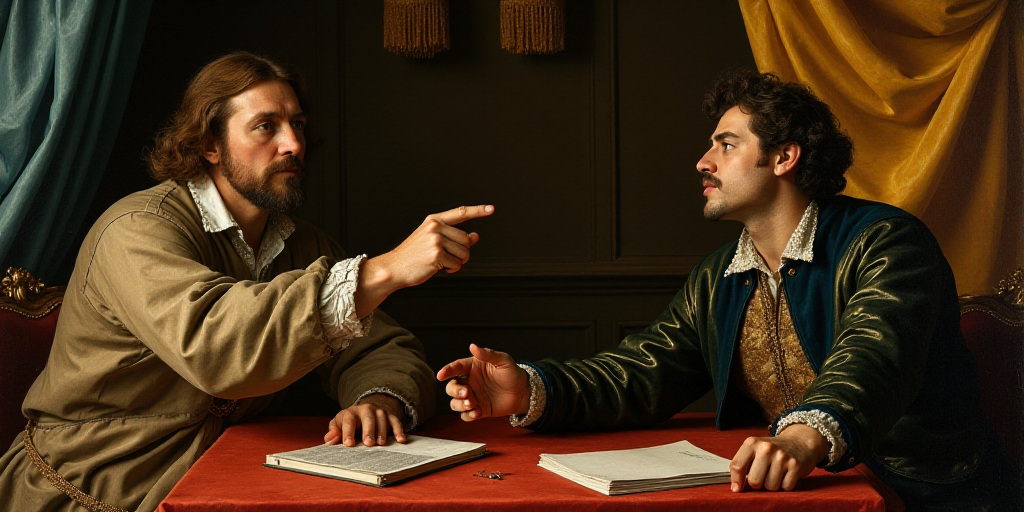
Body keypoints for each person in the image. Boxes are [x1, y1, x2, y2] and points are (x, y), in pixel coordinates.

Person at [438, 70, 1016, 510]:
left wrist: (800, 439)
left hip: (926, 492)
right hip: (797, 493)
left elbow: (874, 358)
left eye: (726, 144)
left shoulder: (887, 242)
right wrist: (529, 389)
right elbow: (643, 371)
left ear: (784, 157)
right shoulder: (720, 273)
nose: (702, 162)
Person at [0, 51, 493, 512]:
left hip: (220, 478)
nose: (294, 144)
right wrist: (383, 270)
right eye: (265, 127)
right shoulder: (137, 229)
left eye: (297, 124)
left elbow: (380, 349)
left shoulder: (304, 244)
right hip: (90, 489)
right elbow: (216, 347)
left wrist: (377, 399)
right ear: (209, 145)